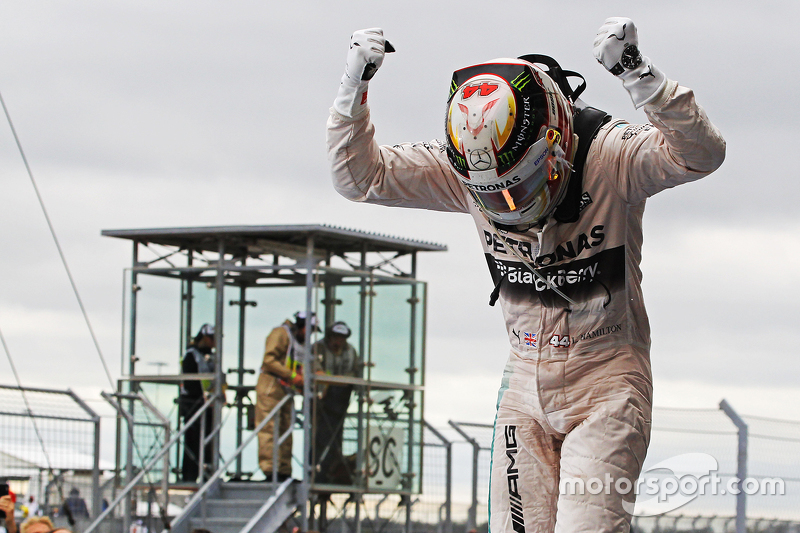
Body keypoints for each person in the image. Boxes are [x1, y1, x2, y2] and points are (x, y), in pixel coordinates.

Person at [327, 19, 725, 532]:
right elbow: (360, 177)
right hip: (524, 386)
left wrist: (638, 74)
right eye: (491, 195)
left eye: (519, 186)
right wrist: (352, 86)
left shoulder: (610, 155)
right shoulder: (457, 170)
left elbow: (701, 154)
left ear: (556, 143)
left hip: (606, 381)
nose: (509, 205)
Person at [255, 311, 313, 481]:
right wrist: (292, 376)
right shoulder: (280, 333)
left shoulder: (299, 343)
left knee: (286, 430)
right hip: (271, 388)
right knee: (269, 429)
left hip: (287, 391)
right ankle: (270, 470)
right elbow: (269, 360)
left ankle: (284, 470)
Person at [311, 321, 363, 484]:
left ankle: (330, 472)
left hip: (341, 400)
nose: (338, 341)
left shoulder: (350, 351)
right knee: (318, 435)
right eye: (335, 337)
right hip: (320, 400)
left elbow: (356, 373)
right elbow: (316, 371)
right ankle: (315, 472)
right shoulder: (318, 348)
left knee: (336, 437)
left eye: (341, 338)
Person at [179, 323, 216, 482]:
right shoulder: (191, 355)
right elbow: (189, 383)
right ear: (205, 337)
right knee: (193, 442)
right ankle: (189, 476)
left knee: (208, 442)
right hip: (193, 405)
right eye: (212, 338)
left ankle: (207, 474)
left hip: (208, 406)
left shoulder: (212, 357)